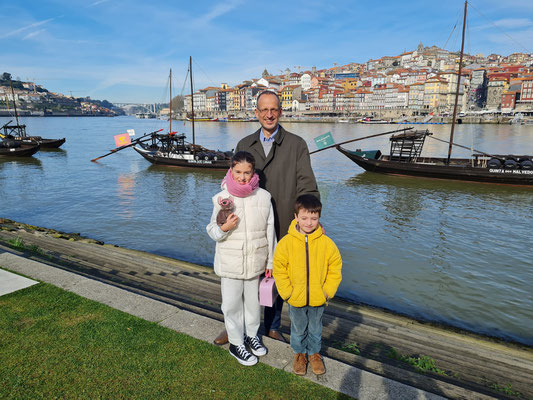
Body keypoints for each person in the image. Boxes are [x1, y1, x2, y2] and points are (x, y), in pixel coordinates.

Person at [213, 90, 320, 345]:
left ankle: (272, 326)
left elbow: (307, 186)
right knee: (242, 278)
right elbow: (231, 182)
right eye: (264, 110)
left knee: (276, 278)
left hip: (284, 220)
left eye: (274, 110)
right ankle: (233, 327)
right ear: (257, 113)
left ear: (280, 112)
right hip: (247, 225)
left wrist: (311, 220)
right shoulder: (244, 144)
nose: (269, 114)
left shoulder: (296, 145)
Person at [206, 151, 275, 366]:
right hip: (230, 262)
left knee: (253, 304)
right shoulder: (222, 198)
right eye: (238, 172)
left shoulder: (263, 197)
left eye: (247, 172)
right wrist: (225, 228)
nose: (243, 177)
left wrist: (270, 261)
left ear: (253, 171)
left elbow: (270, 231)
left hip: (256, 260)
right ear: (231, 170)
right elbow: (212, 231)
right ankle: (236, 343)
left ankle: (252, 336)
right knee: (231, 305)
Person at [273, 194, 342, 376]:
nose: (309, 222)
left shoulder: (327, 244)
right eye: (304, 218)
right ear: (296, 217)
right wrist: (287, 293)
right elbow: (279, 269)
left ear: (319, 218)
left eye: (314, 218)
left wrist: (327, 292)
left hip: (319, 297)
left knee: (315, 328)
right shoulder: (285, 243)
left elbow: (335, 268)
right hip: (295, 297)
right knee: (298, 328)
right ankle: (299, 354)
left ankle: (314, 354)